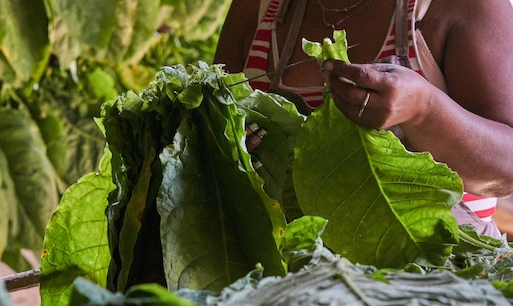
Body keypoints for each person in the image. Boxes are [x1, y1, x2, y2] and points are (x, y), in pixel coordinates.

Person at [213, 0, 513, 238]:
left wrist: (424, 110)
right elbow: (213, 126)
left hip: (431, 286)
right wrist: (230, 147)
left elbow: (507, 168)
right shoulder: (260, 8)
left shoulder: (461, 6)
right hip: (283, 278)